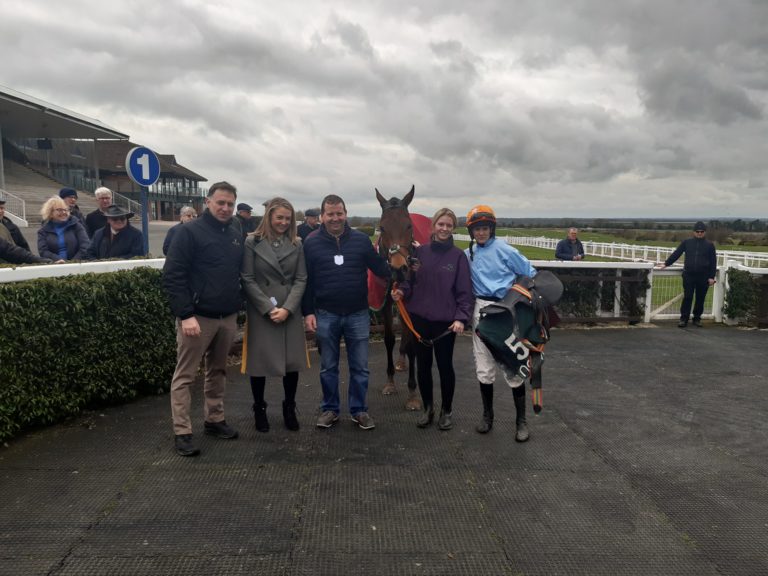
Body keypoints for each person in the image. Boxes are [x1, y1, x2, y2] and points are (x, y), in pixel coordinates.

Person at [163, 181, 244, 457]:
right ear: (207, 202)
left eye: (230, 204)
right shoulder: (188, 232)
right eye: (220, 202)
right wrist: (185, 314)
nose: (225, 208)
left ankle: (214, 419)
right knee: (185, 375)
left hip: (227, 316)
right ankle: (182, 431)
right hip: (197, 317)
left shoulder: (235, 230)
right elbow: (173, 275)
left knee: (218, 371)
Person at [302, 194, 390, 430]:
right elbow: (306, 281)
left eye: (339, 213)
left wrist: (400, 255)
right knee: (328, 366)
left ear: (345, 214)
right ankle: (330, 409)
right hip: (326, 313)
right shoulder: (310, 242)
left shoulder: (361, 241)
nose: (335, 218)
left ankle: (359, 410)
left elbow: (381, 269)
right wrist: (308, 312)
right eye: (330, 214)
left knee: (360, 366)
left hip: (357, 314)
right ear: (322, 216)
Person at [391, 208, 473, 430]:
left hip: (445, 324)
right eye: (441, 224)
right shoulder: (420, 253)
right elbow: (410, 282)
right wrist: (402, 292)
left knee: (445, 367)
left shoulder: (458, 257)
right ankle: (428, 409)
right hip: (420, 320)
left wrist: (461, 318)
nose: (444, 229)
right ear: (434, 226)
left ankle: (447, 411)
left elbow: (465, 292)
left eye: (448, 225)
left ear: (452, 228)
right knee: (423, 367)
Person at [465, 204, 537, 442]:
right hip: (481, 310)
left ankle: (521, 421)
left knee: (513, 365)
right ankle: (488, 417)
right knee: (484, 366)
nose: (481, 233)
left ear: (491, 228)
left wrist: (516, 298)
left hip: (505, 310)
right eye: (477, 229)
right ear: (471, 232)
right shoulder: (469, 253)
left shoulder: (505, 249)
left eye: (485, 228)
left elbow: (529, 273)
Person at [241, 197, 307, 432]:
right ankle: (259, 408)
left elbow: (301, 278)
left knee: (291, 363)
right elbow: (247, 278)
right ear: (269, 216)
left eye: (288, 219)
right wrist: (269, 309)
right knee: (259, 364)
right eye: (279, 217)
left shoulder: (297, 243)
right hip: (262, 311)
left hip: (289, 309)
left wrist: (288, 308)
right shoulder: (252, 241)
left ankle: (289, 407)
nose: (283, 222)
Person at [658, 221, 717, 328]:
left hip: (703, 276)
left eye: (702, 231)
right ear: (694, 232)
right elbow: (677, 253)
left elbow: (713, 262)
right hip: (689, 275)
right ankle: (683, 319)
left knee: (700, 298)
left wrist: (711, 277)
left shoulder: (709, 245)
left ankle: (697, 318)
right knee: (688, 297)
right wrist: (666, 263)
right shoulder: (687, 242)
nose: (699, 233)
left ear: (705, 232)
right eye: (697, 231)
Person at [37, 196, 90, 261]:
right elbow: (43, 251)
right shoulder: (43, 231)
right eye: (59, 210)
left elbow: (85, 246)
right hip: (55, 265)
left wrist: (73, 262)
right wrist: (59, 260)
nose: (64, 212)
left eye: (66, 210)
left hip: (78, 264)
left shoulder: (76, 225)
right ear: (50, 213)